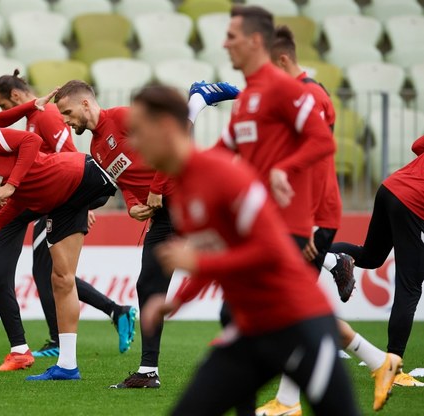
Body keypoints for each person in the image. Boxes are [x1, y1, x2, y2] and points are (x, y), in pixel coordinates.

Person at [130, 84, 362, 416]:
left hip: (300, 323)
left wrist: (196, 263)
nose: (134, 143)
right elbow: (213, 259)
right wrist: (175, 302)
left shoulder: (225, 174)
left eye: (139, 132)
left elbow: (273, 250)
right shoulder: (182, 192)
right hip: (251, 330)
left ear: (166, 127)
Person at [0, 89, 136, 369]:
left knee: (52, 274)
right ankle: (26, 349)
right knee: (1, 278)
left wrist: (79, 199)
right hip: (13, 209)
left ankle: (71, 337)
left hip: (41, 199)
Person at [253, 25, 403, 416]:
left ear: (282, 60)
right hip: (304, 216)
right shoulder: (297, 97)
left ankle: (290, 401)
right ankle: (375, 362)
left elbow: (317, 165)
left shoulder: (309, 96)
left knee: (291, 307)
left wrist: (306, 226)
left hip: (314, 217)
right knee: (299, 306)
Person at [35, 79, 175, 388]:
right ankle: (148, 372)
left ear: (86, 104)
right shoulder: (96, 148)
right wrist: (133, 205)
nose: (67, 122)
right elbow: (123, 183)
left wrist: (155, 189)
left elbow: (170, 140)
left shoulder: (123, 117)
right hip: (162, 216)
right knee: (148, 285)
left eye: (69, 113)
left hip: (188, 200)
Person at [332, 134, 424, 388]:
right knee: (410, 285)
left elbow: (416, 145)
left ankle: (313, 253)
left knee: (371, 257)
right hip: (413, 203)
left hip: (390, 188)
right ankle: (393, 365)